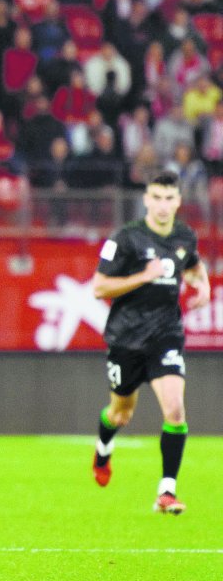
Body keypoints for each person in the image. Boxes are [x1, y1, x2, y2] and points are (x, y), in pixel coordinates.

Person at [90, 173, 211, 514]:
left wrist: (201, 285)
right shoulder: (125, 239)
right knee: (121, 413)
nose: (161, 205)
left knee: (174, 409)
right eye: (155, 197)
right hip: (126, 339)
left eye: (168, 198)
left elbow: (191, 266)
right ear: (146, 199)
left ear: (177, 201)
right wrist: (143, 275)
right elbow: (99, 287)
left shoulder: (185, 235)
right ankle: (103, 449)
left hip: (165, 335)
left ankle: (166, 491)